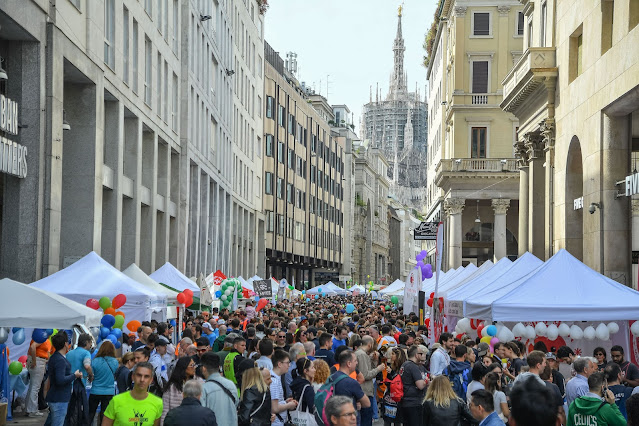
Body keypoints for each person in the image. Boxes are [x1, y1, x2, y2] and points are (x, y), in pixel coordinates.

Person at [102, 362, 163, 426]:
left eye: (146, 376)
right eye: (139, 375)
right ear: (133, 377)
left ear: (151, 380)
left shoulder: (158, 403)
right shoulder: (116, 401)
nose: (142, 379)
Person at [44, 331, 82, 426]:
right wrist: (74, 375)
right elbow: (60, 380)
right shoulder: (59, 360)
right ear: (65, 344)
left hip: (56, 397)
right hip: (59, 398)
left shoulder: (55, 357)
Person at [200, 352, 239, 425]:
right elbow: (236, 405)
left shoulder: (204, 389)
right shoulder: (231, 385)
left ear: (203, 368)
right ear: (219, 367)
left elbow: (202, 414)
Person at [355, 336, 386, 426]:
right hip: (365, 391)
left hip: (365, 390)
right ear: (370, 344)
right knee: (366, 420)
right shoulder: (362, 355)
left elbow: (367, 370)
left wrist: (373, 360)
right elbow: (365, 375)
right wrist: (378, 369)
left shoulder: (362, 354)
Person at [88, 340, 119, 425]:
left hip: (95, 390)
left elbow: (91, 375)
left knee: (90, 413)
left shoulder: (95, 361)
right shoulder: (115, 362)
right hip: (109, 392)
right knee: (105, 415)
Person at [161, 357, 196, 423]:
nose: (194, 367)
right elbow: (165, 410)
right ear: (184, 367)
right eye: (192, 365)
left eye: (194, 365)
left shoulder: (198, 383)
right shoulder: (171, 387)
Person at [400, 345, 428, 426]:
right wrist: (426, 381)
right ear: (416, 355)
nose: (422, 355)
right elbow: (420, 385)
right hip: (414, 402)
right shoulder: (413, 366)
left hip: (405, 401)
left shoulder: (404, 364)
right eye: (421, 353)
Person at [270, 349, 299, 426]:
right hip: (276, 422)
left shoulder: (276, 378)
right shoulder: (274, 381)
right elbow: (274, 408)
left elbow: (275, 401)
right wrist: (289, 405)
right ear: (279, 364)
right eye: (287, 363)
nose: (289, 365)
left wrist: (285, 402)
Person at [382, 347, 407, 426]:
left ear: (398, 356)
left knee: (397, 420)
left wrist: (392, 373)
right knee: (387, 419)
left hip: (397, 396)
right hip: (389, 396)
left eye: (393, 354)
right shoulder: (391, 365)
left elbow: (400, 381)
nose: (391, 356)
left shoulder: (404, 367)